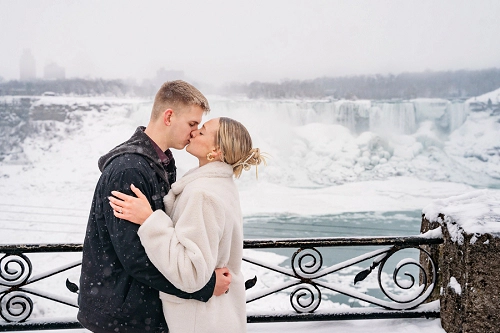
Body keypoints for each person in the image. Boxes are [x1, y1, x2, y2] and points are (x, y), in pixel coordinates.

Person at [77, 81, 232, 333]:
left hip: (134, 310)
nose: (194, 133)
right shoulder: (130, 170)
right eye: (192, 124)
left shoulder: (158, 163)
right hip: (124, 316)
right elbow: (135, 257)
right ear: (169, 116)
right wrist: (203, 287)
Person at [108, 117, 265, 333]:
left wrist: (149, 220)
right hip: (217, 315)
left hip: (199, 321)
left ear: (216, 151)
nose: (194, 132)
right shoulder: (222, 184)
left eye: (202, 132)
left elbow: (190, 273)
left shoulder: (202, 193)